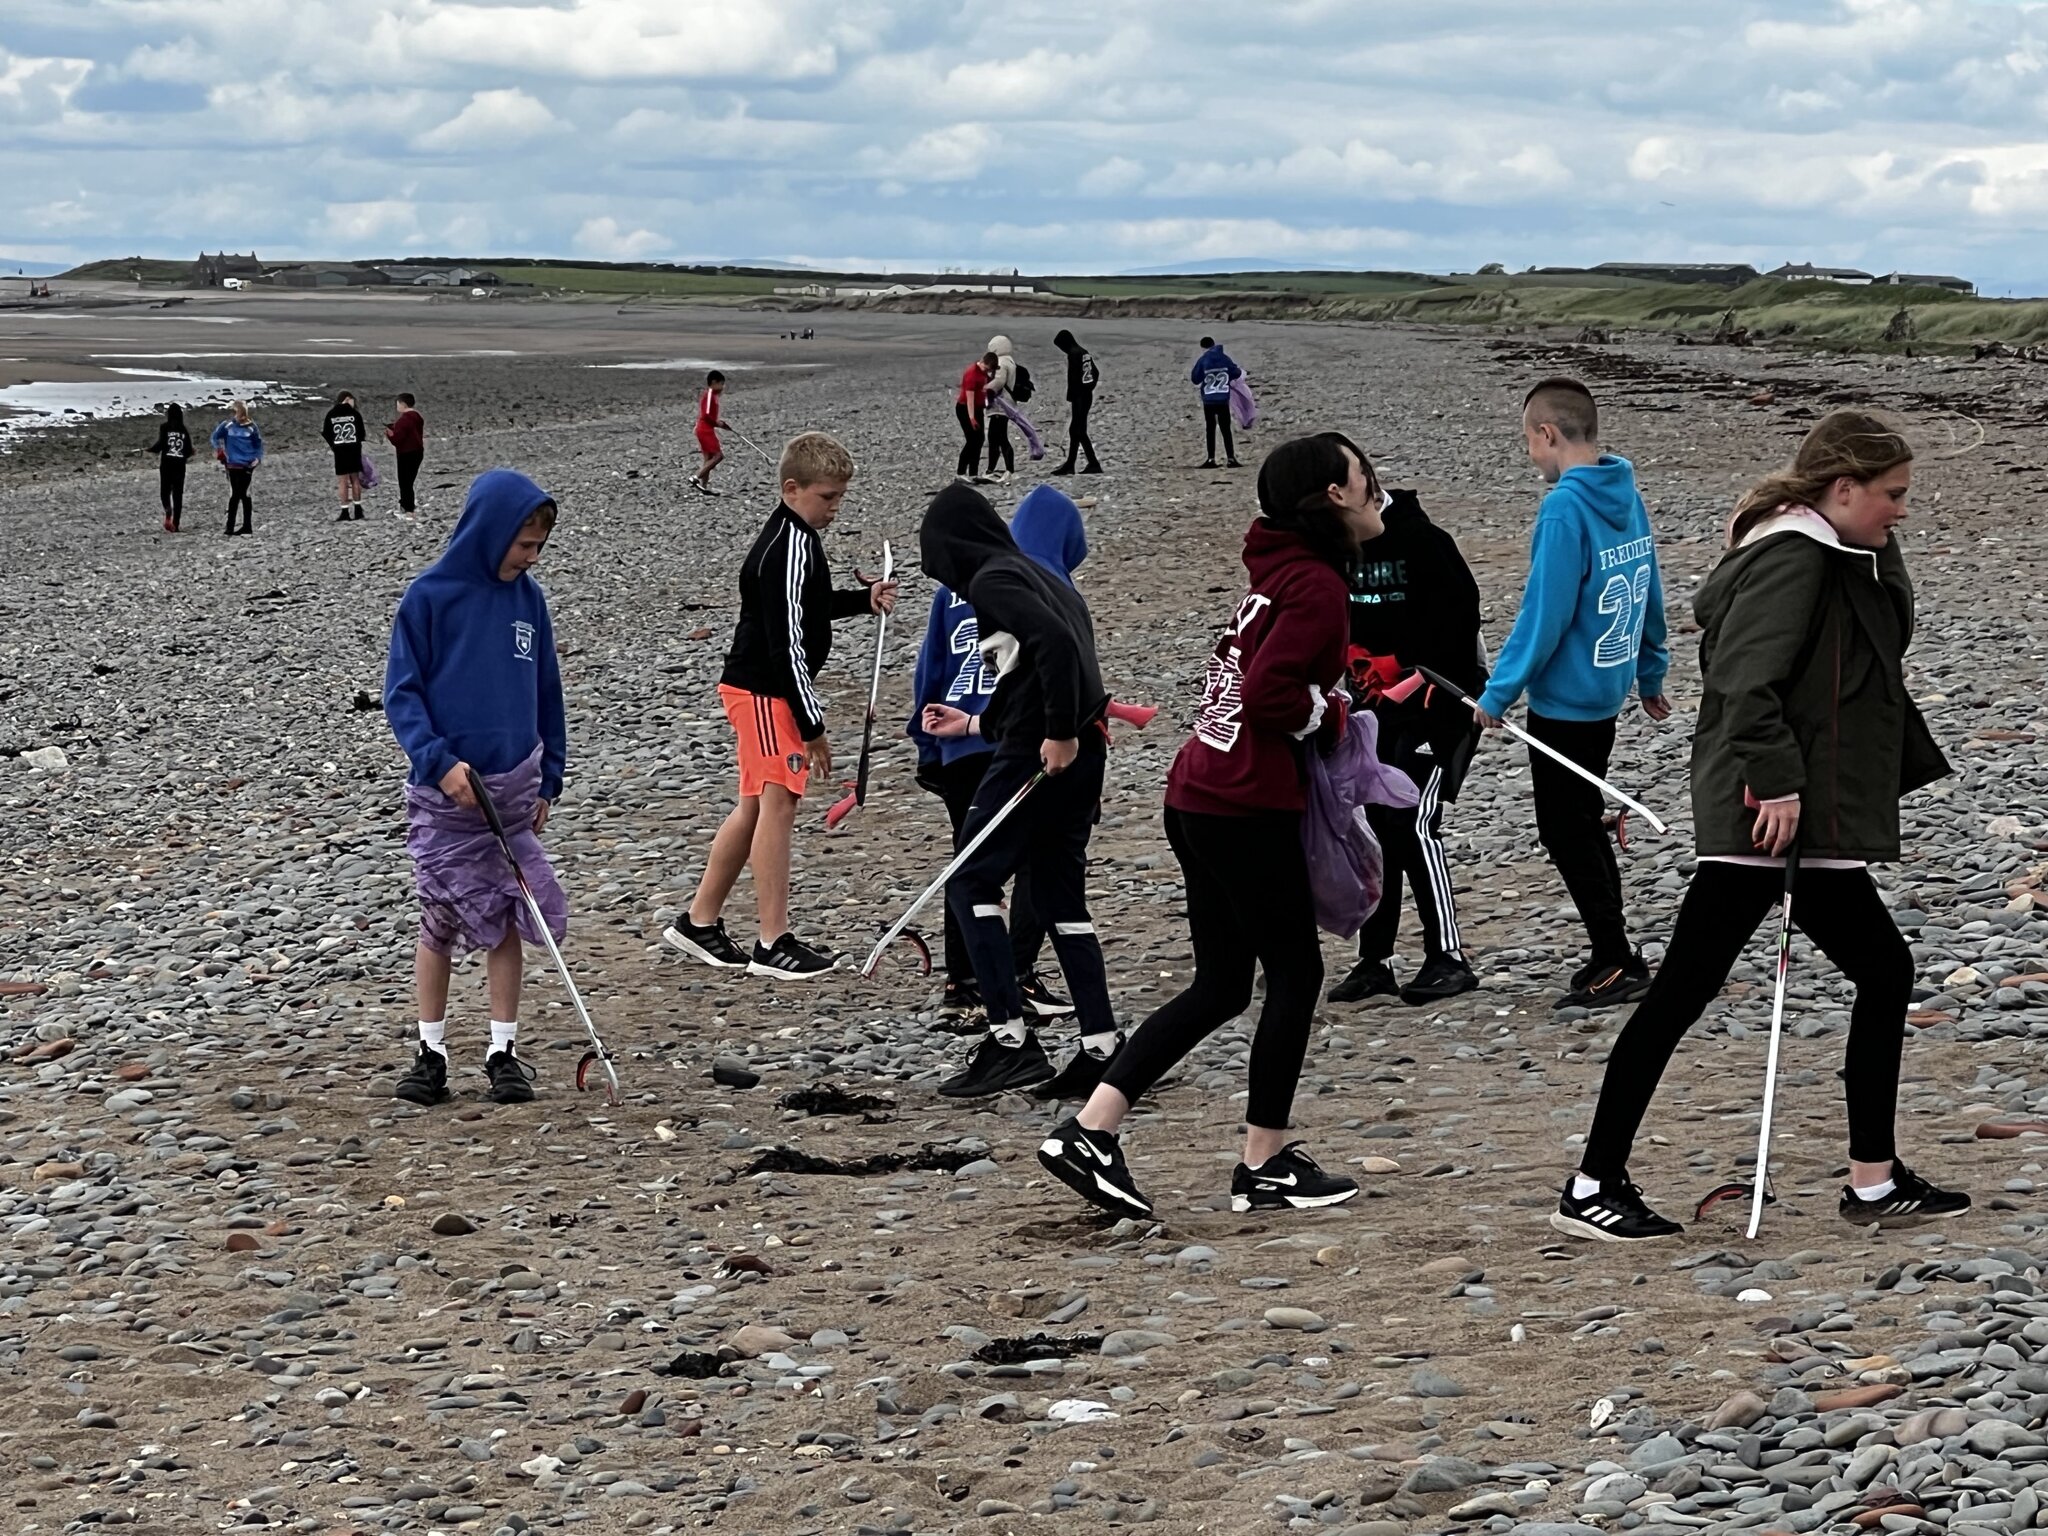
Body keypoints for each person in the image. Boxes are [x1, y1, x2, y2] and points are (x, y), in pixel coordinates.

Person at [1553, 411, 1968, 1242]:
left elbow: (1890, 635)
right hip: (1767, 816)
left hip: (1809, 814)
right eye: (1892, 496)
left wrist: (1878, 542)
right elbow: (1743, 683)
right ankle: (1592, 1183)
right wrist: (1775, 785)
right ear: (1842, 489)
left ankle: (1875, 1182)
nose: (1902, 510)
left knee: (1882, 971)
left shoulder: (1834, 550)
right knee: (1683, 992)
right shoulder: (1793, 557)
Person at [1039, 434, 1383, 1218]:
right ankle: (1264, 1162)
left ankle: (1092, 1130)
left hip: (1198, 792)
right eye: (1368, 479)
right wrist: (1331, 710)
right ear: (1334, 494)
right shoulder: (1319, 584)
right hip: (1242, 803)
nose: (1377, 493)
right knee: (1295, 973)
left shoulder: (1277, 575)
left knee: (1224, 984)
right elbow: (1269, 698)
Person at [664, 433, 898, 979]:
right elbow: (786, 644)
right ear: (792, 489)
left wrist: (863, 601)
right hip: (764, 691)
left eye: (840, 498)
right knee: (780, 804)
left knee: (754, 806)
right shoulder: (788, 545)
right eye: (827, 498)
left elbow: (809, 610)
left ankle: (698, 922)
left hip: (761, 689)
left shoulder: (799, 539)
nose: (835, 508)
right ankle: (773, 942)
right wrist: (811, 724)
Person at [917, 482, 1119, 1101]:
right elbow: (1040, 669)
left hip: (1040, 754)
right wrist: (976, 722)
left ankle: (1010, 1041)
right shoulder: (1042, 575)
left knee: (970, 878)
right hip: (1083, 749)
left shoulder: (993, 580)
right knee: (1060, 895)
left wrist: (1056, 734)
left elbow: (1055, 648)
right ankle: (1101, 1048)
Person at [1475, 378, 1670, 1009]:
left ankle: (1617, 958)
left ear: (1547, 434)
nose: (1531, 455)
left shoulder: (1564, 506)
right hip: (1607, 691)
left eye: (1529, 442)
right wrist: (1649, 671)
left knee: (1566, 830)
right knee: (1580, 821)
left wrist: (1498, 693)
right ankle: (1610, 951)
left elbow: (1545, 611)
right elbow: (1649, 585)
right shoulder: (1623, 488)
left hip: (1565, 702)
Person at [383, 470, 569, 1108]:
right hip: (446, 794)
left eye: (539, 547)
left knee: (506, 918)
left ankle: (502, 1050)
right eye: (523, 545)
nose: (531, 557)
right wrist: (437, 763)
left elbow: (548, 693)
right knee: (438, 916)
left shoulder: (530, 601)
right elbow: (401, 695)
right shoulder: (429, 598)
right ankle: (431, 1049)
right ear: (490, 533)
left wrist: (551, 776)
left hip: (514, 793)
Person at [1327, 481, 1486, 1005]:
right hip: (1374, 711)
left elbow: (1462, 624)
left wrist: (1407, 663)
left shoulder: (1425, 543)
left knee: (1413, 822)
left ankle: (1449, 956)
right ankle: (1376, 960)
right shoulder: (1338, 548)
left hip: (1439, 709)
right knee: (1375, 824)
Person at [1050, 329, 1102, 475]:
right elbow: (1095, 372)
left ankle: (1090, 463)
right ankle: (1074, 463)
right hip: (1087, 395)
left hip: (1079, 396)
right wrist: (1090, 387)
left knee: (1078, 430)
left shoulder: (1073, 354)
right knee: (1077, 430)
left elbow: (1073, 379)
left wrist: (1071, 397)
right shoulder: (1084, 352)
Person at [210, 400, 263, 537]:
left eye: (236, 411)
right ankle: (232, 526)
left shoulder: (251, 427)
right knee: (236, 494)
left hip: (248, 464)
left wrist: (257, 458)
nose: (235, 415)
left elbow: (258, 444)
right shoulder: (227, 426)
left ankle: (245, 526)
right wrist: (219, 450)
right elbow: (215, 437)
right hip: (233, 464)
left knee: (243, 495)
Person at [1190, 336, 1243, 469]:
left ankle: (1210, 459)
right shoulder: (1225, 358)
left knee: (1210, 429)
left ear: (1203, 347)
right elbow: (1236, 373)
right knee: (1226, 429)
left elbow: (1195, 379)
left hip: (1209, 400)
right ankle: (1231, 458)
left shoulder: (1203, 360)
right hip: (1223, 399)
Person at [148, 403, 194, 532]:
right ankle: (176, 524)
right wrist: (186, 454)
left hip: (166, 464)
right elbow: (189, 450)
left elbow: (161, 444)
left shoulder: (164, 427)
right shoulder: (183, 430)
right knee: (178, 495)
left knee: (165, 491)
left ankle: (168, 509)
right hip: (179, 466)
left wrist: (151, 449)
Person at [323, 391, 368, 522]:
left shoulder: (331, 414)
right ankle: (358, 509)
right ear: (348, 399)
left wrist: (334, 445)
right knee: (355, 480)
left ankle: (344, 511)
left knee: (342, 481)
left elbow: (326, 433)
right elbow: (361, 433)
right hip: (353, 449)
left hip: (340, 450)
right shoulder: (355, 414)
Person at [956, 351, 995, 480]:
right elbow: (969, 398)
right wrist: (972, 418)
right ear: (983, 362)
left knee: (979, 440)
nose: (987, 371)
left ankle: (973, 473)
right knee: (972, 441)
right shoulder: (972, 374)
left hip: (977, 409)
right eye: (987, 368)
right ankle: (960, 472)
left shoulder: (983, 372)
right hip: (965, 409)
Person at [984, 335, 1018, 481]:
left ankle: (1001, 470)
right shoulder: (1010, 361)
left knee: (997, 438)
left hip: (999, 405)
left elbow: (998, 382)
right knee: (999, 437)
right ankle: (1003, 469)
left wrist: (982, 389)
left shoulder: (1001, 363)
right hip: (1008, 403)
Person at [385, 393, 425, 515]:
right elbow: (410, 429)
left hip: (406, 453)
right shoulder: (417, 416)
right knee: (409, 481)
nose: (396, 406)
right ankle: (406, 505)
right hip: (418, 451)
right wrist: (395, 427)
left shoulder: (404, 419)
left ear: (402, 404)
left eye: (397, 403)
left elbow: (397, 439)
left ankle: (408, 509)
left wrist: (389, 434)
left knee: (405, 482)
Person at [692, 371, 726, 495]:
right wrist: (718, 423)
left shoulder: (712, 396)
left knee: (708, 458)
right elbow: (706, 415)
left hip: (705, 428)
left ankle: (704, 487)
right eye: (721, 384)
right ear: (714, 383)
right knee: (718, 456)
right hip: (705, 430)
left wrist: (720, 423)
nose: (723, 387)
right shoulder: (709, 394)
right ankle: (696, 477)